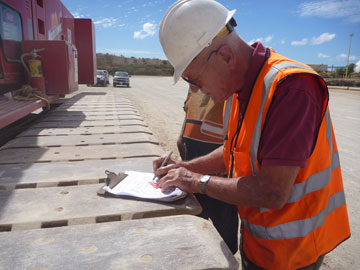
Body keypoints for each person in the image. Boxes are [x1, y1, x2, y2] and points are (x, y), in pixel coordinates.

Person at [154, 0, 351, 269]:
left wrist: (196, 181)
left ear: (225, 56)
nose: (196, 90)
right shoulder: (240, 88)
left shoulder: (291, 88)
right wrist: (182, 168)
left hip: (294, 254)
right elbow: (232, 153)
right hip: (260, 242)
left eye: (194, 79)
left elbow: (272, 192)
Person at [177, 89, 239, 254]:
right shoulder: (193, 87)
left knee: (224, 239)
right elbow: (187, 118)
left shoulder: (229, 88)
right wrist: (182, 139)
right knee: (194, 233)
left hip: (221, 176)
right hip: (194, 166)